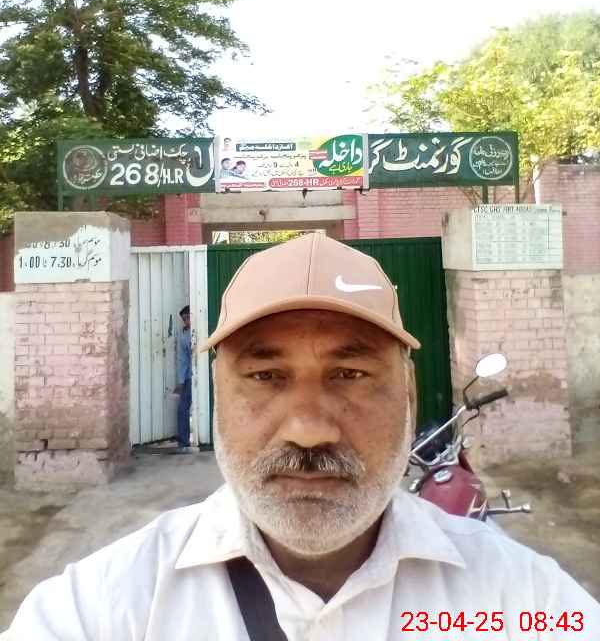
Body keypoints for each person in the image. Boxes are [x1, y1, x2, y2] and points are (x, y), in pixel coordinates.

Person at [3, 234, 599, 640]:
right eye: (266, 376)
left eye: (351, 374)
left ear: (409, 396)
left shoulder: (524, 601)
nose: (309, 430)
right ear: (217, 400)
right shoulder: (100, 610)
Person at [174, 304, 192, 453]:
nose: (186, 321)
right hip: (189, 377)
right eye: (184, 319)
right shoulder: (183, 335)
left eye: (188, 317)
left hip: (204, 375)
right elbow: (182, 360)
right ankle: (183, 442)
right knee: (182, 408)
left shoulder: (202, 328)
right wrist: (181, 381)